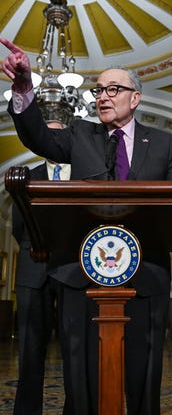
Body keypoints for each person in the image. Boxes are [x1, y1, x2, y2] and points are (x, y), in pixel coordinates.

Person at [0, 37, 172, 415]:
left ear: (134, 98)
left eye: (113, 89)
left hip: (146, 274)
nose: (102, 96)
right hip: (82, 276)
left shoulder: (165, 143)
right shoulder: (79, 135)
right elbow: (38, 136)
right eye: (99, 90)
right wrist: (24, 87)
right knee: (82, 377)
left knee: (144, 373)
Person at [12, 121, 70, 415]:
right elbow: (18, 226)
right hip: (33, 271)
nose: (52, 138)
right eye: (46, 132)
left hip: (73, 271)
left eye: (58, 133)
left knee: (75, 348)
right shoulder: (25, 177)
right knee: (30, 349)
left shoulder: (84, 175)